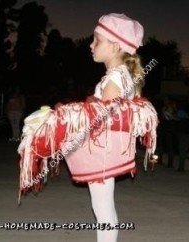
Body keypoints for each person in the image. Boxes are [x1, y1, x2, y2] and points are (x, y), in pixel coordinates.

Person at [66, 13, 145, 242]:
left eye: (97, 40)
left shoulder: (114, 79)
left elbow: (105, 120)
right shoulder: (118, 75)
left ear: (115, 46)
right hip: (105, 150)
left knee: (103, 210)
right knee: (102, 207)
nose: (91, 45)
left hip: (102, 152)